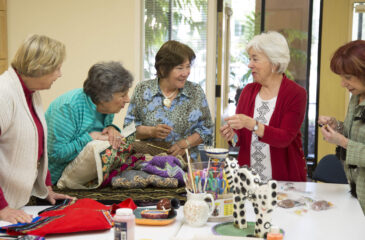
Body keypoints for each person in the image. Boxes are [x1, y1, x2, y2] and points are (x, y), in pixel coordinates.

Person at [0, 34, 73, 224]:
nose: (60, 74)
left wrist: (46, 187)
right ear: (40, 67)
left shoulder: (32, 93)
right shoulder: (4, 93)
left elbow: (36, 146)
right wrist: (2, 207)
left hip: (15, 204)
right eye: (57, 68)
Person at [220, 31, 307, 182]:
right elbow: (239, 139)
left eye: (255, 59)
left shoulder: (296, 94)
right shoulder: (248, 91)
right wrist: (231, 136)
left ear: (274, 63)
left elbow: (284, 138)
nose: (249, 64)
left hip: (284, 179)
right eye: (250, 59)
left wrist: (251, 124)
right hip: (248, 180)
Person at [124, 40, 213, 161]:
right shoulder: (143, 90)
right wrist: (151, 131)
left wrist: (185, 144)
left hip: (185, 165)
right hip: (148, 164)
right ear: (163, 69)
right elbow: (128, 130)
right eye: (180, 68)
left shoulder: (195, 91)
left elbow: (207, 130)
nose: (186, 73)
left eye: (188, 67)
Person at [46, 61, 134, 184]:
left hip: (86, 178)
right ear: (103, 97)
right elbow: (55, 154)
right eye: (123, 95)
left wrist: (111, 127)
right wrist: (90, 137)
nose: (128, 100)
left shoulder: (107, 108)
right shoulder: (67, 108)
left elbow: (99, 130)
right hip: (55, 182)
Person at [318, 40, 365, 214]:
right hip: (358, 193)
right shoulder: (356, 96)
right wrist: (335, 126)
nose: (342, 84)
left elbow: (348, 142)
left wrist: (343, 142)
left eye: (348, 77)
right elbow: (355, 133)